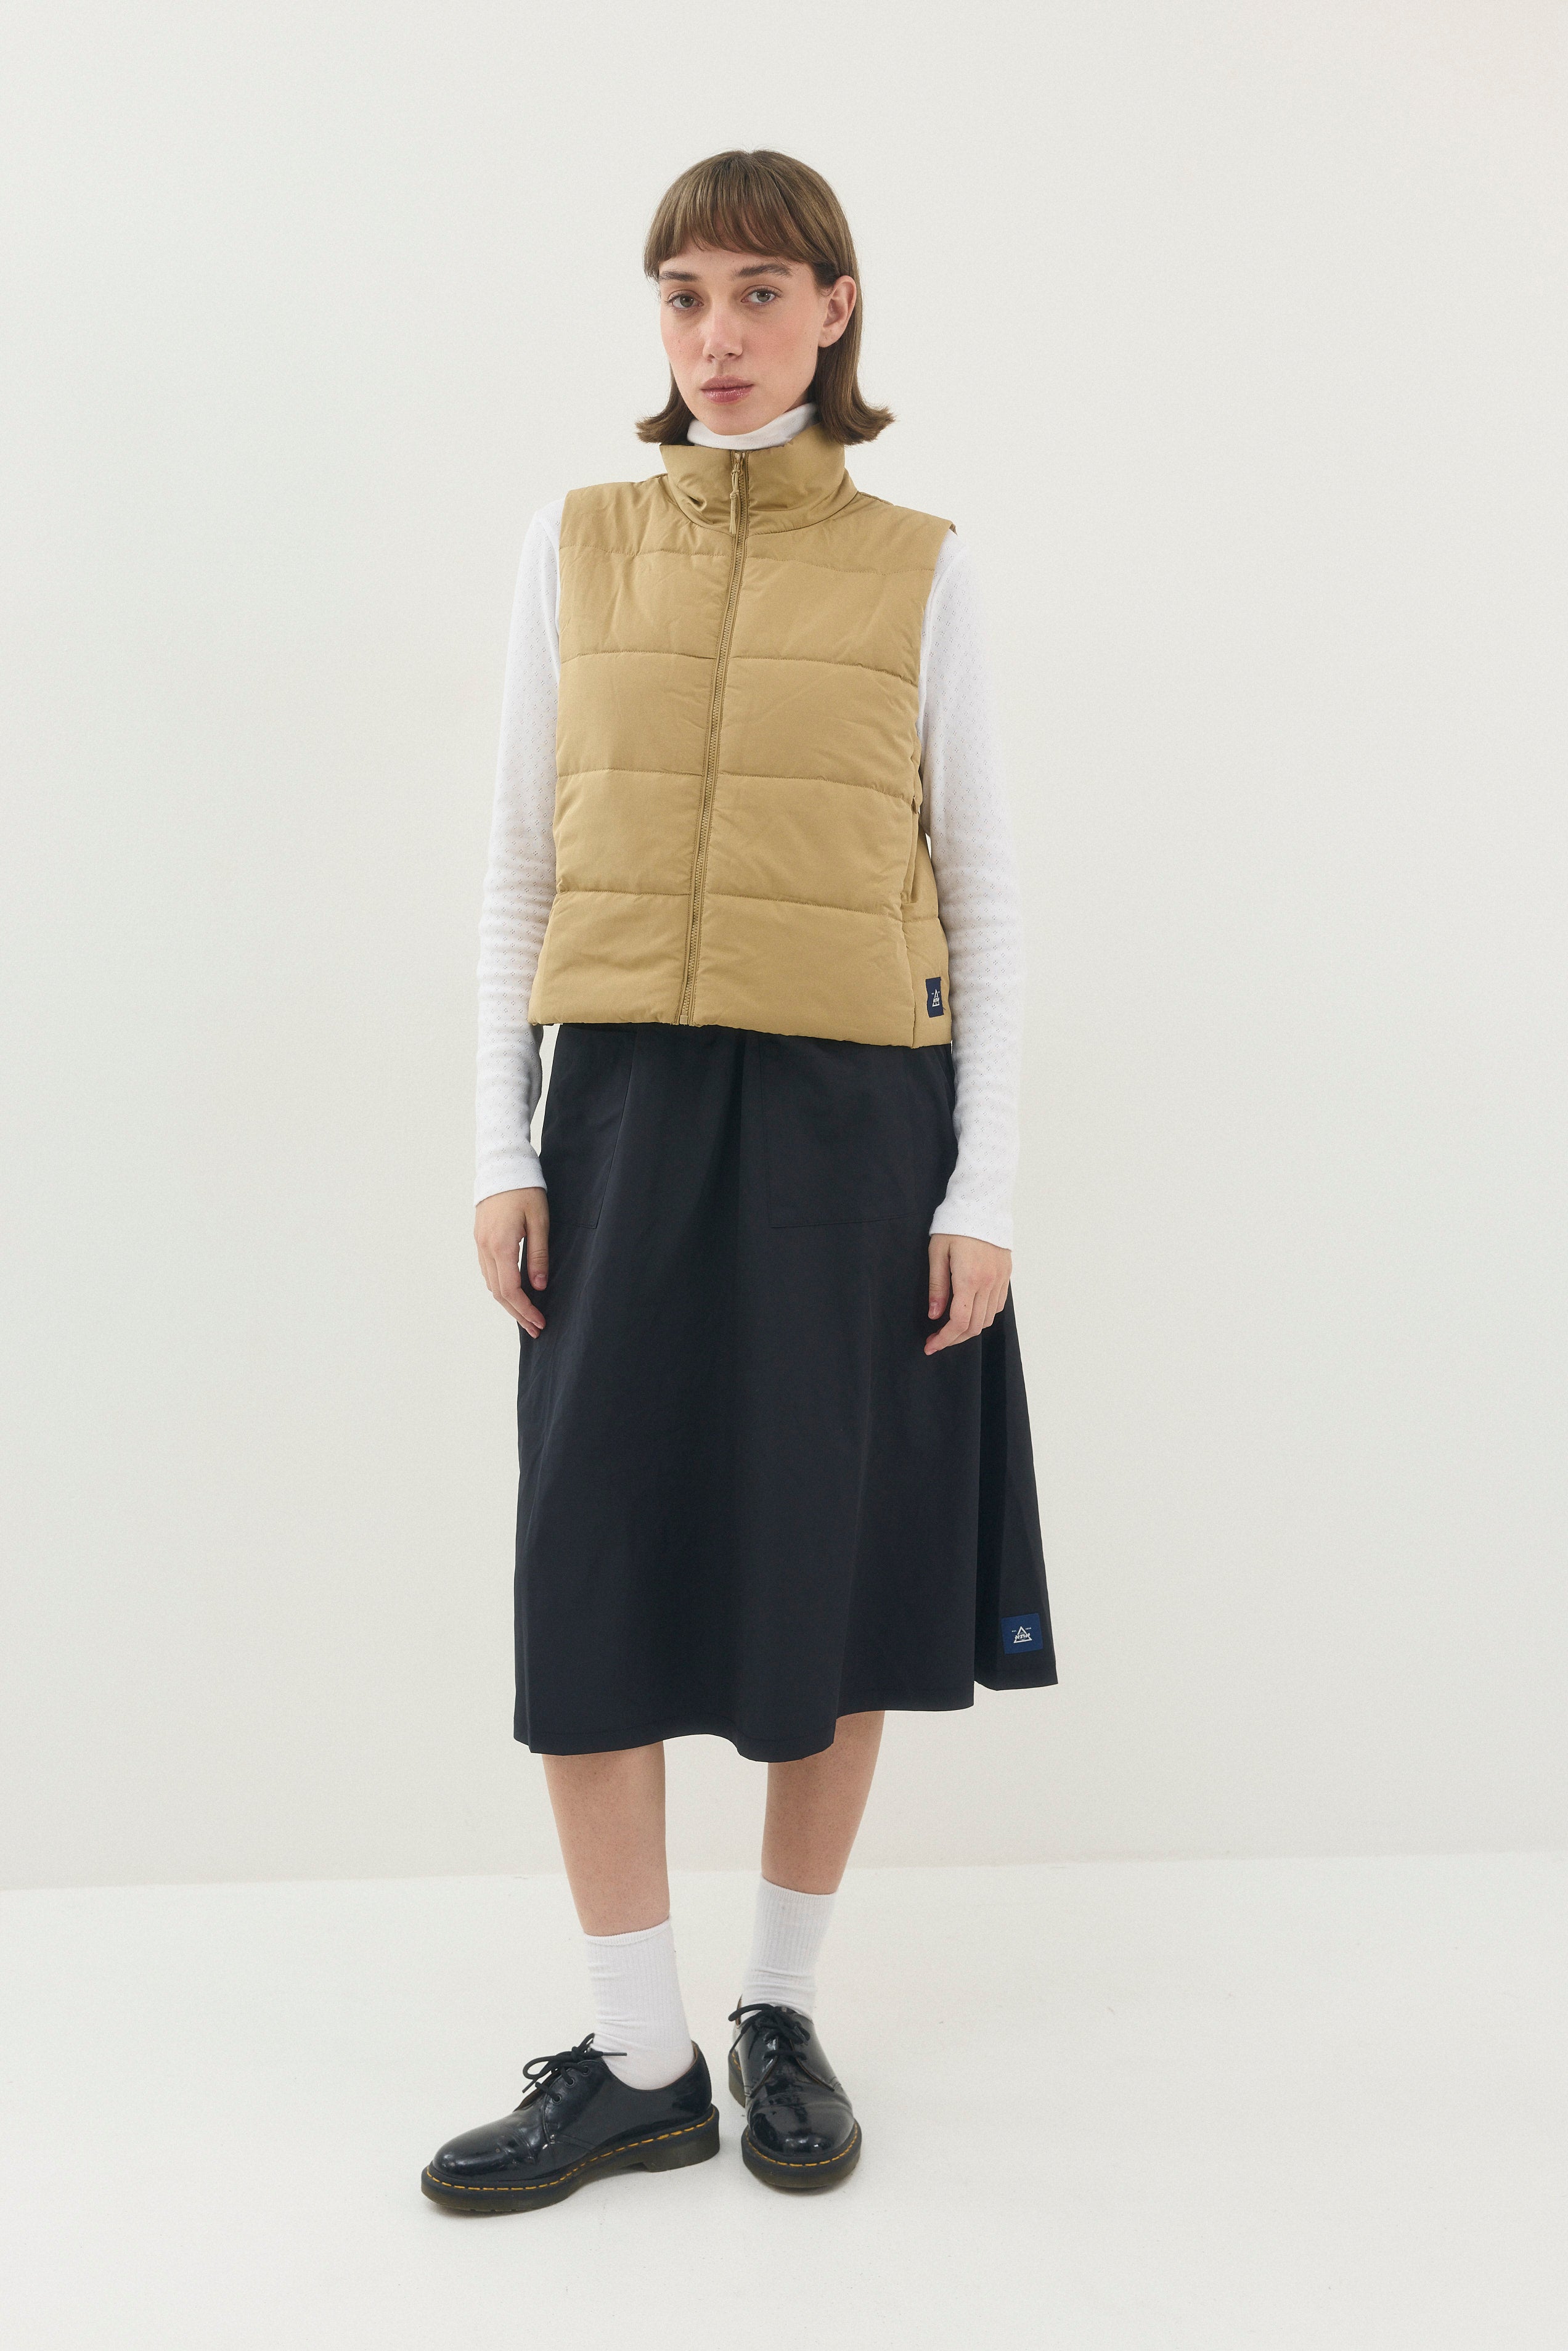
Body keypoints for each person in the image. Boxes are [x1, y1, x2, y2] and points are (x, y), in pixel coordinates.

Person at [421, 148, 1055, 2215]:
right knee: (590, 1570)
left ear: (836, 310)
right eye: (684, 294)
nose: (718, 335)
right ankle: (637, 2057)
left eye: (761, 293)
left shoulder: (922, 567)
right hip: (615, 1115)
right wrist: (502, 1144)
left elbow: (987, 886)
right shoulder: (576, 542)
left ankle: (780, 2012)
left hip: (855, 1125)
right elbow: (517, 864)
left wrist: (982, 1189)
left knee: (830, 1574)